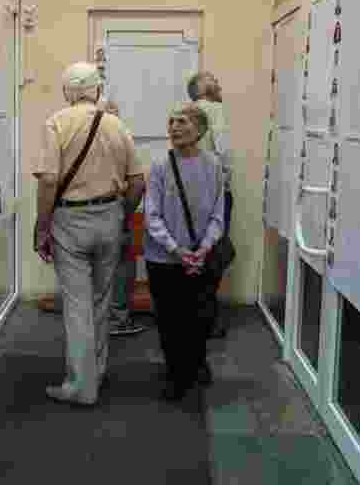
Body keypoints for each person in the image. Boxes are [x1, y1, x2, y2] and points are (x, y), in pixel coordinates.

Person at [33, 62, 145, 406]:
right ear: (96, 89)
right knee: (101, 300)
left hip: (71, 219)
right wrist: (122, 215)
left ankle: (81, 386)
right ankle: (95, 370)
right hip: (110, 216)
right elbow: (138, 182)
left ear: (67, 91)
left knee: (77, 304)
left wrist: (42, 224)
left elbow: (49, 179)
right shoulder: (117, 125)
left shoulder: (56, 123)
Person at [144, 103, 224, 401]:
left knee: (200, 317)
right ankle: (175, 375)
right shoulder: (159, 166)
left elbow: (218, 213)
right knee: (170, 320)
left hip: (200, 256)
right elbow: (152, 215)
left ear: (201, 130)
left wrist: (204, 248)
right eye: (172, 122)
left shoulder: (213, 165)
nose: (175, 127)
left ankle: (197, 361)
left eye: (183, 122)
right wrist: (176, 249)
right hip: (165, 259)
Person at [188, 71, 232, 339]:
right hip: (215, 192)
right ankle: (206, 317)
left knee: (196, 250)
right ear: (202, 89)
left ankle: (192, 315)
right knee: (216, 252)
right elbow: (224, 152)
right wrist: (225, 184)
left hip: (191, 194)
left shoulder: (185, 112)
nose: (219, 83)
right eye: (213, 80)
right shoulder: (215, 110)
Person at [99, 98, 146, 337]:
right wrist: (126, 212)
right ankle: (118, 319)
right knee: (122, 264)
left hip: (79, 215)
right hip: (115, 210)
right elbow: (138, 183)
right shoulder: (122, 136)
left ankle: (93, 321)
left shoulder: (75, 136)